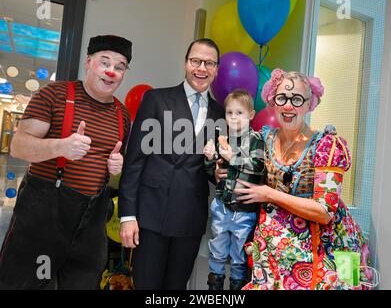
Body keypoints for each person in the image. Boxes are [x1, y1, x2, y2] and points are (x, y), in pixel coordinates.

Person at [0, 35, 132, 289]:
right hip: (43, 217)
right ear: (88, 62)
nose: (111, 71)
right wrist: (60, 146)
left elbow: (113, 175)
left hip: (91, 225)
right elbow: (17, 146)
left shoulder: (122, 114)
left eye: (119, 66)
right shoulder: (56, 94)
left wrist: (116, 169)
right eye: (104, 62)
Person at [226, 69, 373, 290]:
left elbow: (325, 213)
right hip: (277, 256)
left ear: (309, 104)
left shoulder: (327, 145)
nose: (288, 106)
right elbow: (241, 165)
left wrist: (268, 193)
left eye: (297, 99)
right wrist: (222, 167)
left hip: (334, 250)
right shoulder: (263, 139)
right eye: (282, 98)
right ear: (272, 101)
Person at [119, 38, 225, 290]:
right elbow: (134, 161)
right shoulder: (156, 99)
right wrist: (127, 215)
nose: (202, 68)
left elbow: (211, 168)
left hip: (190, 218)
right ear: (185, 63)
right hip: (151, 215)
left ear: (217, 69)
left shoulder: (220, 113)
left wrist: (221, 172)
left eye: (209, 63)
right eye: (196, 61)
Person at [203, 89, 266, 290]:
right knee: (218, 250)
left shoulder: (256, 139)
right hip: (222, 205)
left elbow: (258, 166)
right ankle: (215, 286)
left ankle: (237, 287)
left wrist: (233, 159)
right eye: (230, 113)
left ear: (251, 115)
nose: (234, 117)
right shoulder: (225, 139)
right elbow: (217, 171)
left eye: (239, 113)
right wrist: (210, 158)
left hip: (244, 210)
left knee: (240, 254)